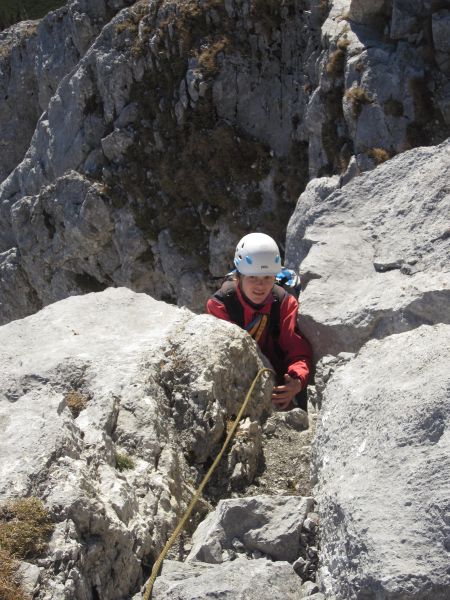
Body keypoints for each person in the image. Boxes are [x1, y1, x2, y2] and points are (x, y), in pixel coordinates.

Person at [206, 232, 312, 411]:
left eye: (267, 278)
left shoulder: (285, 303)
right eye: (252, 277)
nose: (260, 286)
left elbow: (298, 351)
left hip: (277, 380)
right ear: (238, 277)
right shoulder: (220, 306)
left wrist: (296, 381)